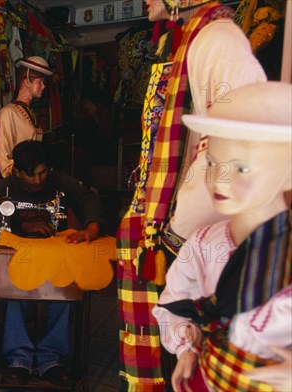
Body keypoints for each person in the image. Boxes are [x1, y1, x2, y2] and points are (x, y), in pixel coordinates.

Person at [115, 0, 268, 388]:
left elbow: (236, 137)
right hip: (183, 229)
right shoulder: (194, 40)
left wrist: (180, 230)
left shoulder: (218, 39)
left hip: (199, 236)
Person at [152, 81, 291, 392]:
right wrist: (188, 344)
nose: (221, 180)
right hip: (208, 377)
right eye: (213, 164)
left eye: (241, 168)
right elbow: (175, 301)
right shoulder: (204, 243)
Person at [0, 140, 106, 386]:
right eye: (33, 175)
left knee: (65, 289)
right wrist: (21, 225)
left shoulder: (57, 181)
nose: (40, 180)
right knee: (12, 290)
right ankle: (18, 359)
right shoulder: (5, 189)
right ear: (18, 172)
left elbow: (87, 198)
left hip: (55, 260)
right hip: (19, 262)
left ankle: (51, 359)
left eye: (43, 172)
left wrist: (92, 227)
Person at [0, 56, 53, 178]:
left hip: (34, 183)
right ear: (27, 80)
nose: (43, 86)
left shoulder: (28, 113)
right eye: (40, 82)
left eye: (44, 82)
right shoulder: (7, 114)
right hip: (20, 185)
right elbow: (3, 159)